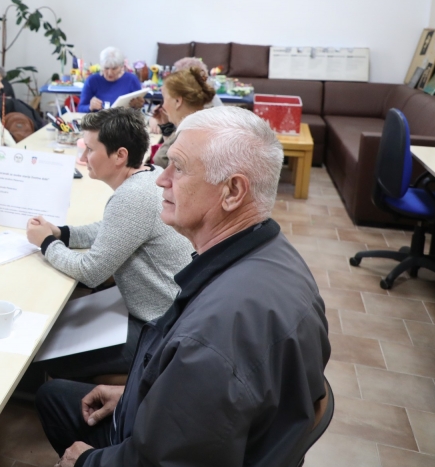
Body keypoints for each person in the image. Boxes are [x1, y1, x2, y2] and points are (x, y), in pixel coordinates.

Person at [36, 107, 330, 467]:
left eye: (179, 167)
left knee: (51, 395)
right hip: (228, 434)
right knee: (56, 395)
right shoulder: (279, 256)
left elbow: (161, 461)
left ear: (233, 191)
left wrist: (86, 462)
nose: (161, 179)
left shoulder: (210, 339)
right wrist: (136, 396)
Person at [25, 108, 193, 378]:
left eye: (90, 150)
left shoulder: (132, 196)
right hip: (171, 315)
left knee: (39, 354)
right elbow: (115, 228)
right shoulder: (149, 174)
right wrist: (62, 234)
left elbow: (90, 272)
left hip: (159, 331)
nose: (83, 158)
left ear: (120, 155)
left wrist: (45, 243)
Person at [153, 67, 216, 169]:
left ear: (178, 101)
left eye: (164, 99)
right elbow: (168, 152)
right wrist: (165, 126)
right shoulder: (199, 124)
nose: (163, 106)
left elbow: (165, 165)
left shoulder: (190, 135)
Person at [78, 47, 143, 113]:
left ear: (121, 67)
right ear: (101, 66)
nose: (110, 73)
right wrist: (90, 107)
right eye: (106, 68)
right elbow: (80, 108)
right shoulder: (92, 81)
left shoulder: (132, 80)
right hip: (99, 119)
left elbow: (140, 109)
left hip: (124, 119)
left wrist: (137, 106)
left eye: (114, 68)